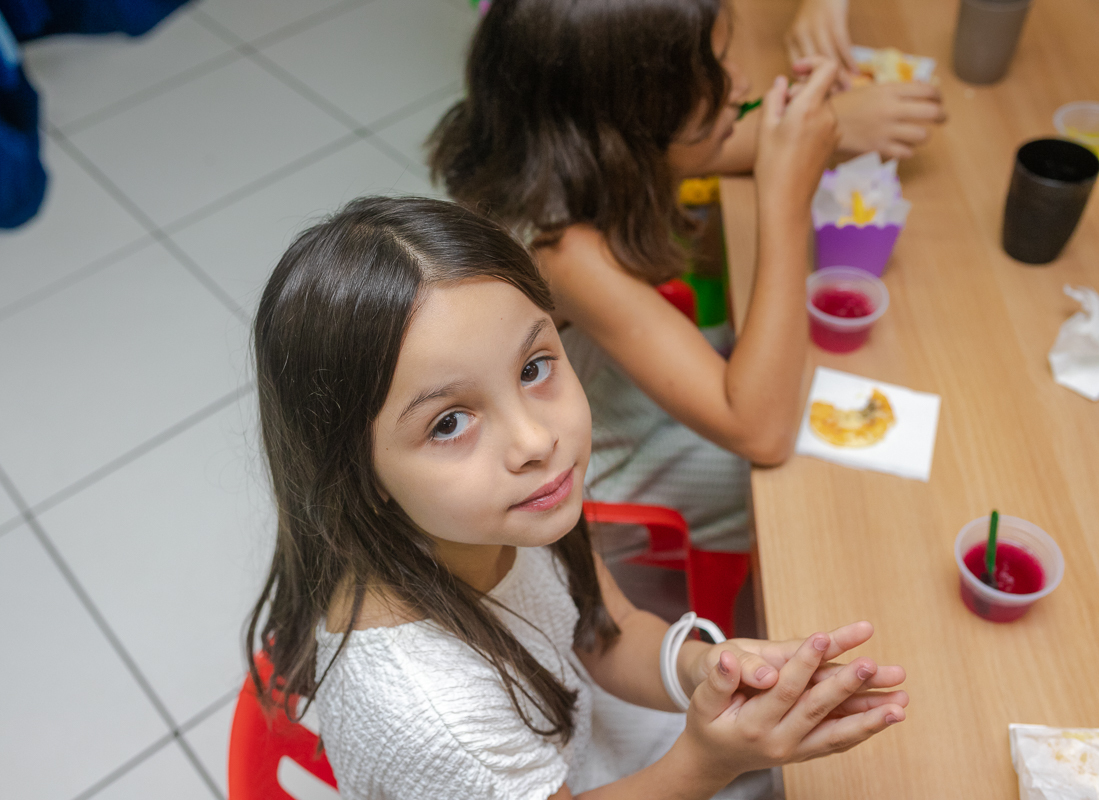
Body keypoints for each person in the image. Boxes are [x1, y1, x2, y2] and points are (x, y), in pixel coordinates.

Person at [245, 196, 908, 799]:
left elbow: (602, 634)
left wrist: (710, 665)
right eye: (448, 422)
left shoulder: (506, 508)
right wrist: (704, 763)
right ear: (357, 476)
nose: (536, 439)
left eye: (534, 367)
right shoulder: (435, 714)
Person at [430, 0, 841, 551]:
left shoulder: (553, 151)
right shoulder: (566, 250)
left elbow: (701, 149)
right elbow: (760, 433)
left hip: (616, 395)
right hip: (594, 472)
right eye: (716, 67)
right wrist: (787, 200)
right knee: (813, 480)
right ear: (637, 115)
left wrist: (834, 126)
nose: (740, 85)